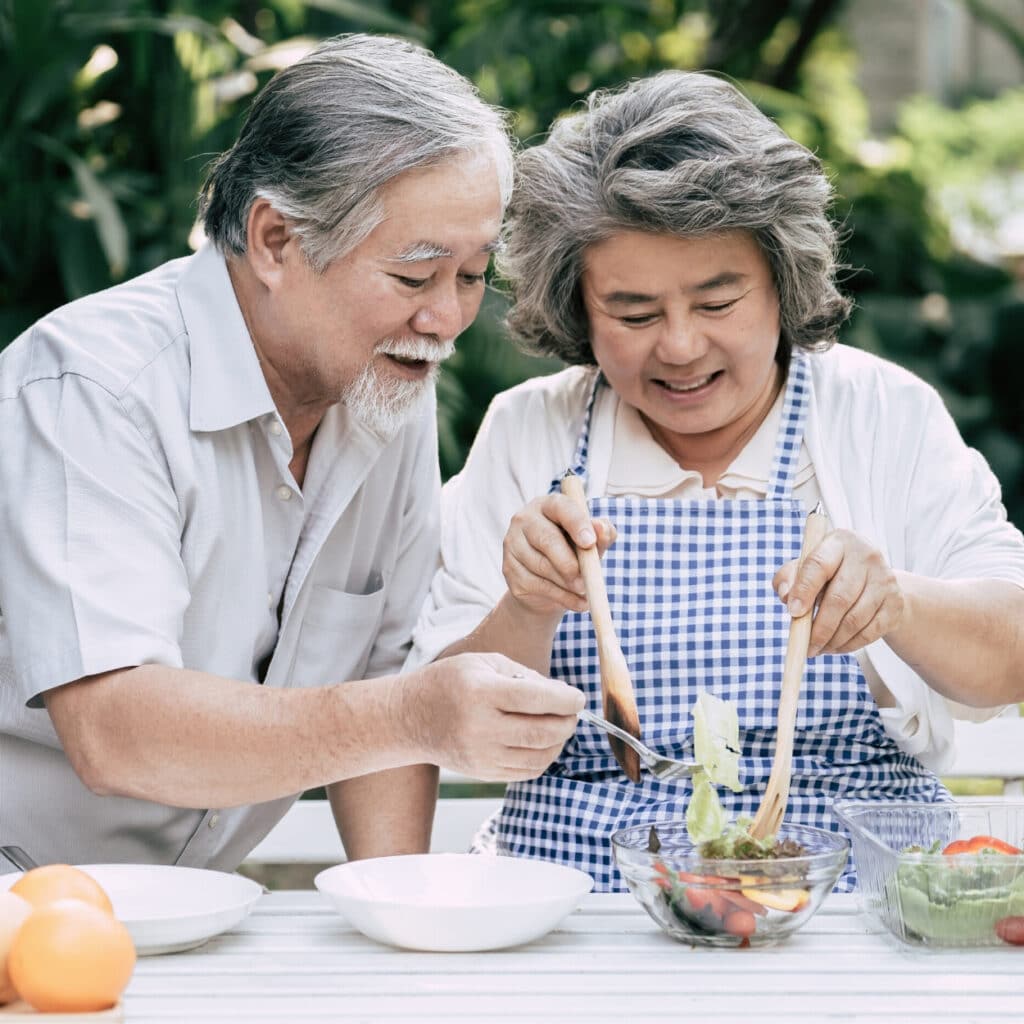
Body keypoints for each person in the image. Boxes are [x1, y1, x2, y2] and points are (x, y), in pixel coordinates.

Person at [407, 70, 1024, 891]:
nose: (681, 347)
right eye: (632, 313)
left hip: (848, 907)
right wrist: (526, 606)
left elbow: (1014, 655)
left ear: (781, 280)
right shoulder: (532, 430)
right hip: (576, 902)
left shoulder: (883, 414)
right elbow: (455, 733)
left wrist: (897, 605)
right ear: (577, 310)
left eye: (718, 299)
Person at [0, 34, 584, 872]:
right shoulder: (93, 389)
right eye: (416, 276)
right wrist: (409, 713)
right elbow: (115, 732)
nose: (448, 320)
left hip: (204, 912)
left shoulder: (385, 386)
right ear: (275, 240)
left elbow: (387, 674)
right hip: (24, 909)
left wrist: (404, 924)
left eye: (472, 276)